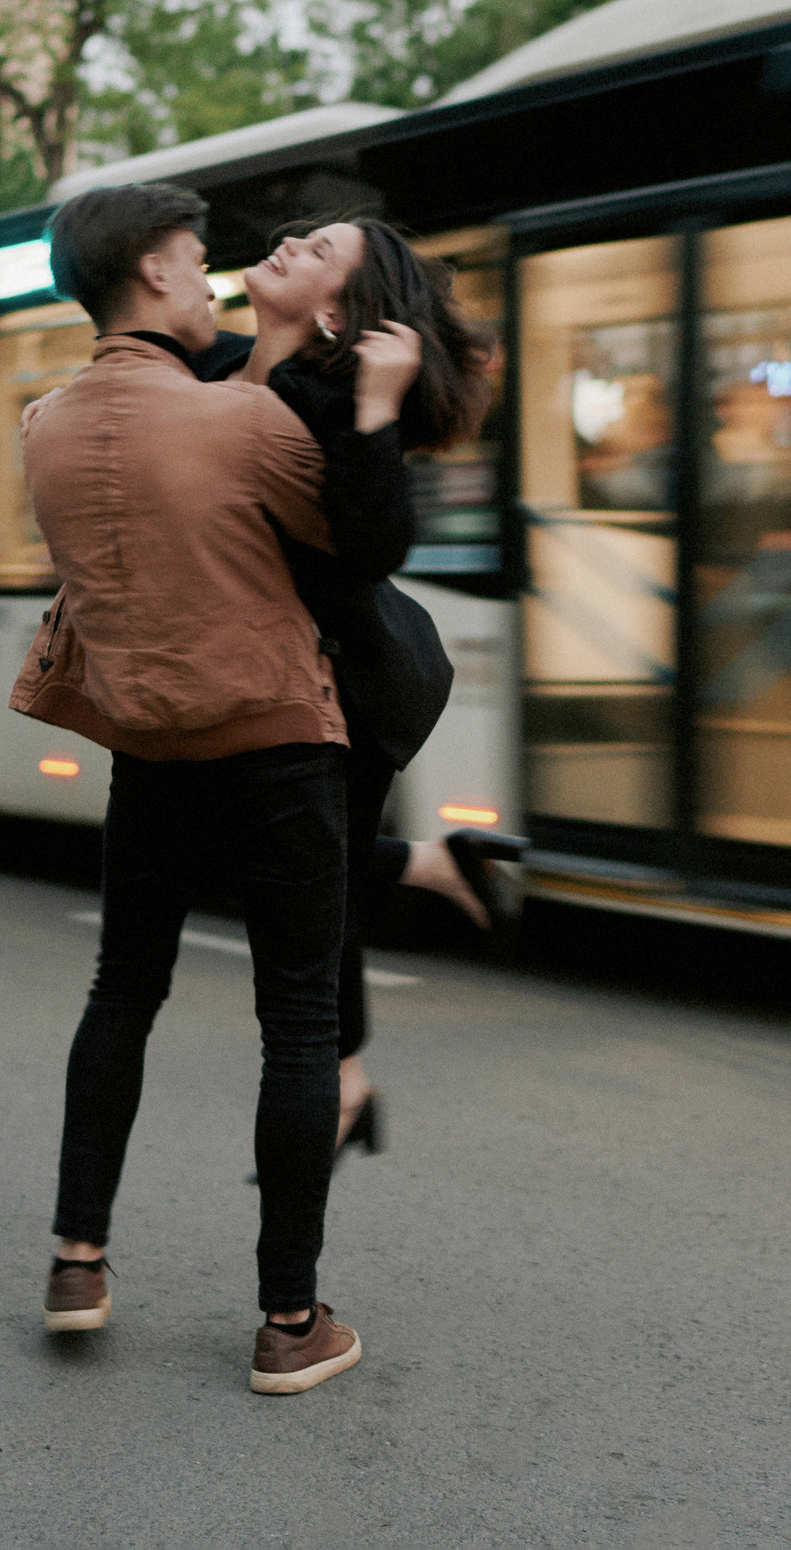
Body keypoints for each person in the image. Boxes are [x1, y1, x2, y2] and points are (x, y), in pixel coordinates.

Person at [12, 182, 363, 1395]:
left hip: (147, 756)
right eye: (199, 262)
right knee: (300, 1024)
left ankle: (76, 1261)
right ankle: (287, 1320)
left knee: (122, 990)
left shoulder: (42, 424)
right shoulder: (243, 424)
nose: (210, 280)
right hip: (274, 742)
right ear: (157, 273)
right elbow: (343, 541)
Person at [199, 219, 502, 1161]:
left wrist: (377, 406)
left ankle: (341, 1077)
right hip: (297, 679)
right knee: (299, 887)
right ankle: (420, 881)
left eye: (320, 250)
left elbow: (374, 548)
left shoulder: (326, 404)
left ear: (334, 311)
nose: (289, 241)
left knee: (287, 883)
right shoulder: (223, 371)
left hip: (360, 687)